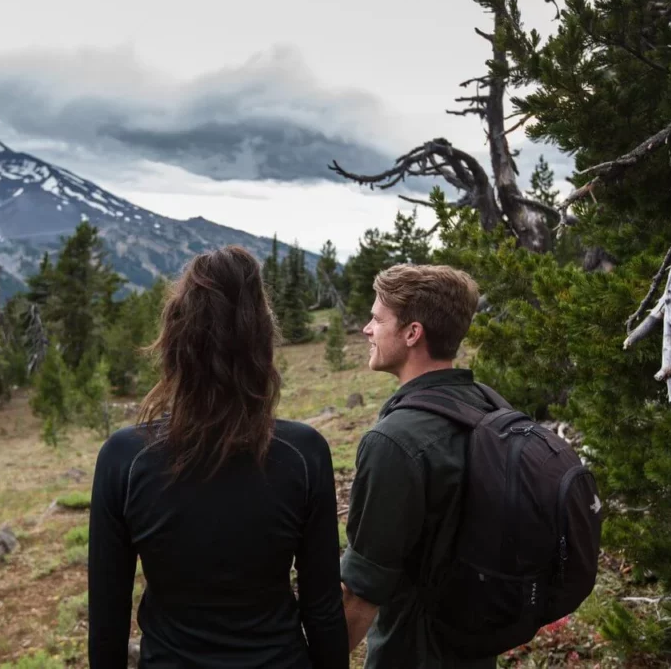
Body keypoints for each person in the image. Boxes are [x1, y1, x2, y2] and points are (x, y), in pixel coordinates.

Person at [88, 245, 349, 669]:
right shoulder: (303, 453)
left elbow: (107, 619)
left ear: (175, 341)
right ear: (262, 342)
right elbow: (322, 608)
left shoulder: (126, 457)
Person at [340, 263, 498, 669]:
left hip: (413, 652)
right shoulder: (489, 405)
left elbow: (362, 593)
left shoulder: (395, 441)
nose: (366, 329)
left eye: (377, 319)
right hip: (474, 646)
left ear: (412, 333)